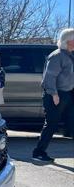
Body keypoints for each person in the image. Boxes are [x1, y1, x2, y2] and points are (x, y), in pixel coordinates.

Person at [32, 28, 74, 162]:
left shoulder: (69, 55)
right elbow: (49, 78)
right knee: (51, 124)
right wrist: (54, 94)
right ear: (68, 41)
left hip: (67, 93)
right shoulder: (56, 56)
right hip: (55, 95)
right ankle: (38, 152)